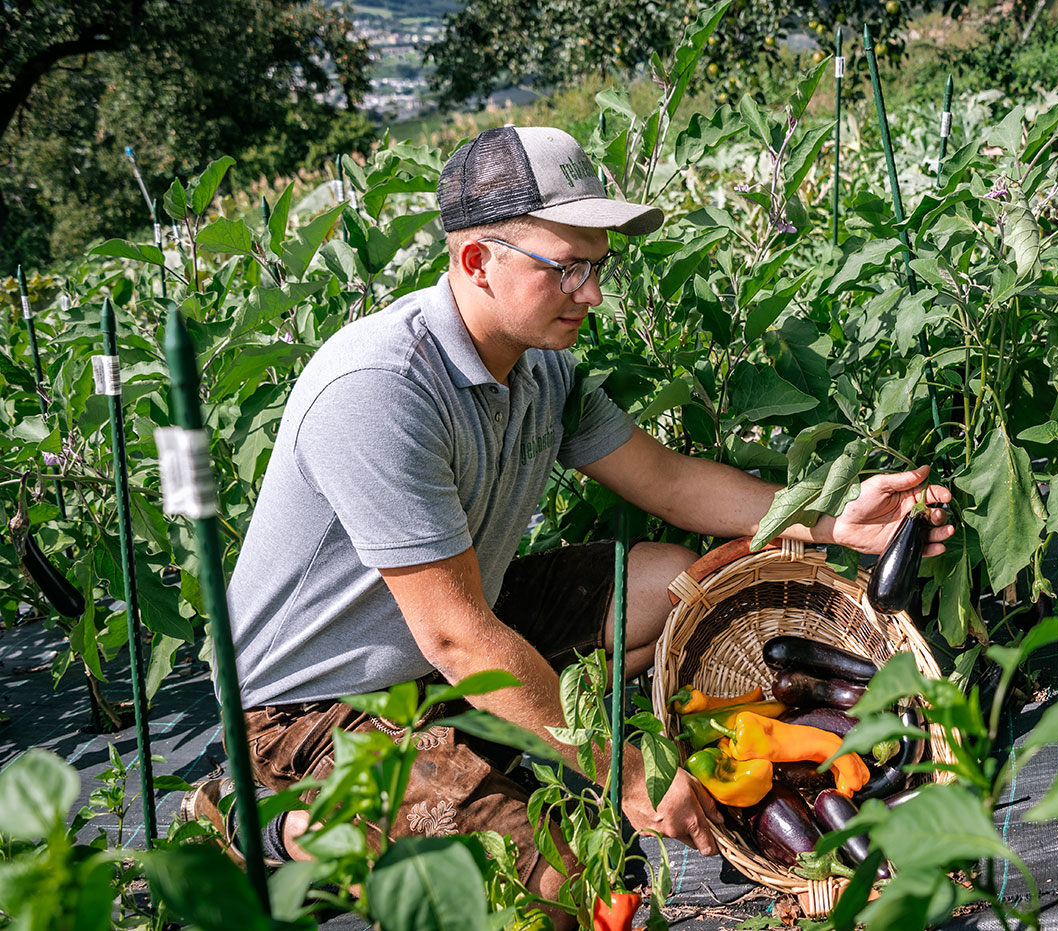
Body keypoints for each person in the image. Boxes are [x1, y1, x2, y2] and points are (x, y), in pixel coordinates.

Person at [184, 124, 955, 921]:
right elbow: (457, 637)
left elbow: (669, 481)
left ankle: (472, 745)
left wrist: (834, 523)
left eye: (598, 266)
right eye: (568, 268)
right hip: (310, 704)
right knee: (555, 892)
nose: (592, 293)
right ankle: (261, 818)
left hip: (447, 647)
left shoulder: (541, 365)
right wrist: (623, 776)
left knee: (671, 582)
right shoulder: (381, 391)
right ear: (476, 261)